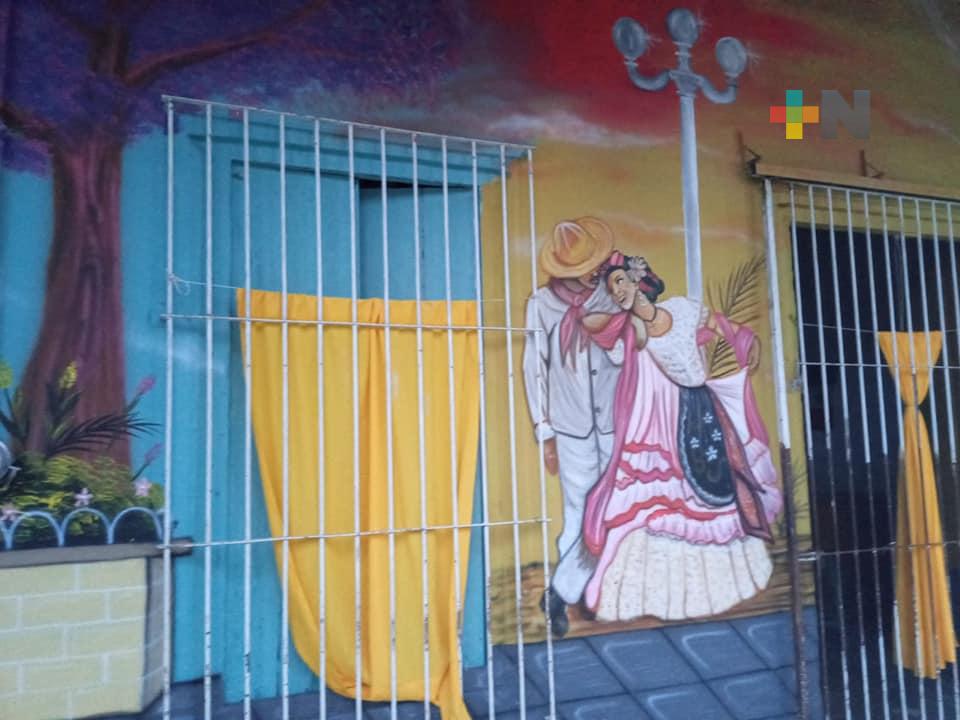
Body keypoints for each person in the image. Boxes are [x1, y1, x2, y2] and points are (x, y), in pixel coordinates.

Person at [579, 254, 782, 622]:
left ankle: (728, 581)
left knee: (719, 489)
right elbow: (590, 323)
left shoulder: (681, 310)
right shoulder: (630, 332)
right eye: (612, 288)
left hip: (704, 410)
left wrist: (747, 341)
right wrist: (617, 311)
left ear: (640, 279)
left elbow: (721, 325)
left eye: (622, 281)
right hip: (662, 421)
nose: (618, 291)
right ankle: (643, 592)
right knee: (656, 502)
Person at [522, 217, 643, 636]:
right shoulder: (542, 304)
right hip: (570, 426)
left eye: (595, 264)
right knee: (578, 512)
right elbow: (534, 367)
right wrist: (545, 431)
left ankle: (568, 590)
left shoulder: (614, 294)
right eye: (583, 267)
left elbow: (631, 350)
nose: (592, 273)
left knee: (611, 508)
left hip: (614, 421)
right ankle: (573, 592)